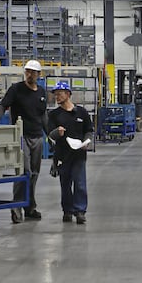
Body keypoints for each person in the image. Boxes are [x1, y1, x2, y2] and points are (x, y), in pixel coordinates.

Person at [0, 60, 48, 222]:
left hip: (37, 137)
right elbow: (2, 105)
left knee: (34, 174)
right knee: (24, 173)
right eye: (27, 71)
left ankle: (29, 207)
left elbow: (43, 116)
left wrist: (51, 135)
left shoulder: (42, 92)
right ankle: (16, 208)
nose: (30, 75)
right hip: (21, 137)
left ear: (38, 75)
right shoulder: (16, 89)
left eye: (33, 72)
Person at [47, 82, 94, 224]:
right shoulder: (54, 115)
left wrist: (87, 141)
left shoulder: (81, 112)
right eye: (55, 94)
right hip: (62, 155)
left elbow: (89, 130)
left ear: (68, 94)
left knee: (80, 183)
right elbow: (49, 135)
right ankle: (67, 211)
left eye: (59, 93)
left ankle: (80, 211)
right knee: (65, 184)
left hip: (79, 154)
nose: (57, 96)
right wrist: (57, 132)